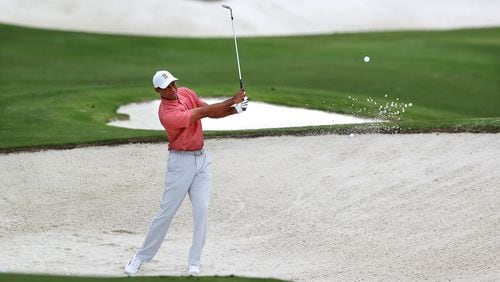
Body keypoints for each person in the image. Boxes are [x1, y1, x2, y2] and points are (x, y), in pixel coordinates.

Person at [124, 70, 248, 275]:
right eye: (167, 87)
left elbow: (209, 110)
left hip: (202, 160)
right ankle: (140, 258)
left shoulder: (187, 93)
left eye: (173, 83)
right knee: (166, 213)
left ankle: (194, 263)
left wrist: (235, 109)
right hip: (180, 163)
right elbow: (202, 114)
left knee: (202, 210)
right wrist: (232, 100)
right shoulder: (167, 113)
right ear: (158, 90)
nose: (173, 89)